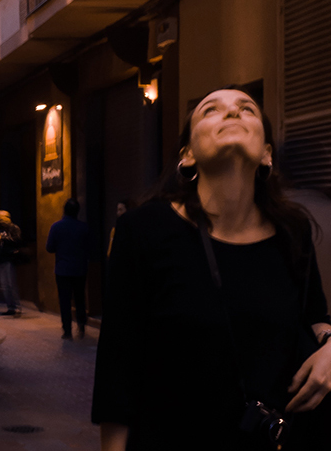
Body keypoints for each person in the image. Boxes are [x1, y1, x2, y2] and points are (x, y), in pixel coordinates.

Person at [92, 87, 331, 451]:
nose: (232, 113)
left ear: (267, 154)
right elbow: (118, 363)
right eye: (211, 110)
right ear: (187, 155)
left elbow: (317, 319)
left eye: (246, 108)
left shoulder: (291, 231)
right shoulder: (143, 230)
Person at [46, 198, 90, 340]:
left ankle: (67, 330)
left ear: (64, 210)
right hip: (80, 268)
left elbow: (50, 248)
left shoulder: (56, 227)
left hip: (63, 269)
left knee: (64, 300)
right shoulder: (84, 227)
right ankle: (81, 325)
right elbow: (90, 248)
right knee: (79, 298)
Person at [0, 210, 22, 315]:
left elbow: (17, 241)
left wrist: (4, 239)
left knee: (11, 283)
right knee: (4, 284)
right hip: (1, 259)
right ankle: (10, 306)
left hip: (10, 259)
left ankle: (16, 306)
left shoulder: (14, 228)